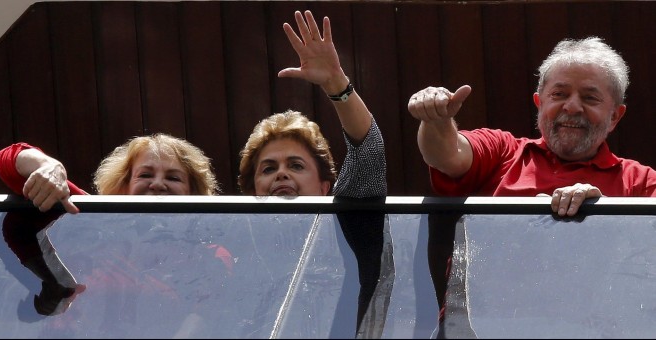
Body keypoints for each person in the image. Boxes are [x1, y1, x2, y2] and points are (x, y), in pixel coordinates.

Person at [407, 36, 656, 332]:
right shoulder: (502, 151)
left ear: (615, 116)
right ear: (539, 103)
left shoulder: (642, 184)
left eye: (590, 98)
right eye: (559, 94)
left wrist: (600, 218)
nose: (572, 107)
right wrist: (436, 120)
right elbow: (446, 155)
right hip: (482, 331)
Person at [237, 10, 392, 337]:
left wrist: (336, 83)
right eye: (268, 168)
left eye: (295, 165)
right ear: (252, 188)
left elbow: (368, 148)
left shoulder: (346, 233)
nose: (281, 174)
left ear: (325, 187)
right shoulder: (234, 253)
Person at [0, 133, 220, 213]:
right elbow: (5, 159)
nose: (158, 184)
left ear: (193, 191)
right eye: (145, 175)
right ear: (123, 185)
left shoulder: (212, 250)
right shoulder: (86, 217)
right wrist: (50, 167)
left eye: (173, 177)